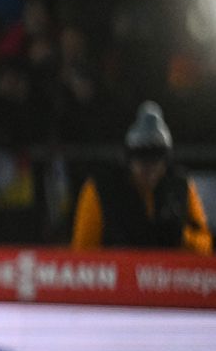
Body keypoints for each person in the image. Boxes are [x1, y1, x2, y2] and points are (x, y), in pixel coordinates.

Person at [71, 101, 211, 253]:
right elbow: (82, 253)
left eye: (156, 159)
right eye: (142, 158)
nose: (149, 169)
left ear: (165, 161)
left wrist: (183, 237)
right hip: (121, 266)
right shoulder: (101, 189)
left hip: (166, 267)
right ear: (129, 159)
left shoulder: (181, 186)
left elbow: (206, 245)